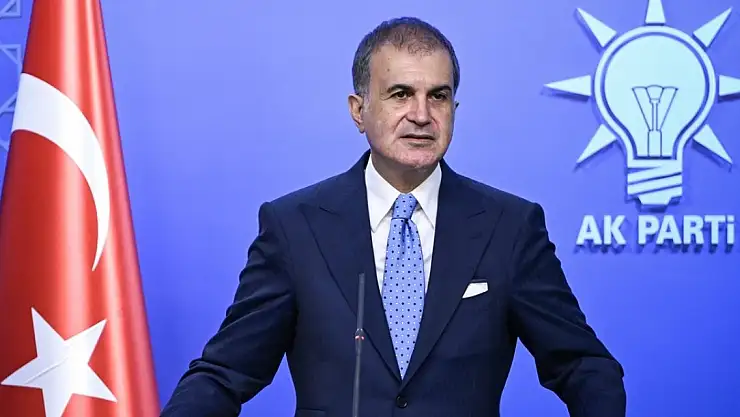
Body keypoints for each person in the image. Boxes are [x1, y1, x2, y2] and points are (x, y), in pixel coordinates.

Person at [160, 16, 626, 417]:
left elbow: (583, 365)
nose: (421, 114)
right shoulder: (294, 226)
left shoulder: (509, 227)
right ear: (358, 110)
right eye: (401, 94)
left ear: (454, 110)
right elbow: (226, 373)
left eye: (438, 96)